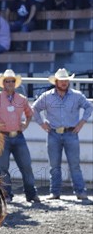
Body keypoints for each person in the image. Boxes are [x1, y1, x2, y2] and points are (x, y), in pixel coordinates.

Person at [32, 68, 92, 201]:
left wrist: (82, 122)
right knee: (54, 165)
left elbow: (89, 107)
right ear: (56, 82)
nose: (64, 83)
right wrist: (42, 123)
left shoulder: (77, 95)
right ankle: (55, 193)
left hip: (71, 133)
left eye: (66, 80)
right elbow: (35, 109)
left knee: (74, 164)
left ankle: (80, 191)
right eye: (62, 80)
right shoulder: (47, 96)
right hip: (53, 133)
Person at [0, 69, 40, 203]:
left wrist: (26, 124)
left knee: (26, 165)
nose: (10, 83)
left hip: (18, 136)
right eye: (7, 81)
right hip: (2, 137)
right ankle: (7, 195)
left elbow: (30, 113)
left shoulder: (21, 99)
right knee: (3, 167)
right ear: (3, 83)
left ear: (15, 83)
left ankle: (31, 194)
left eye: (12, 81)